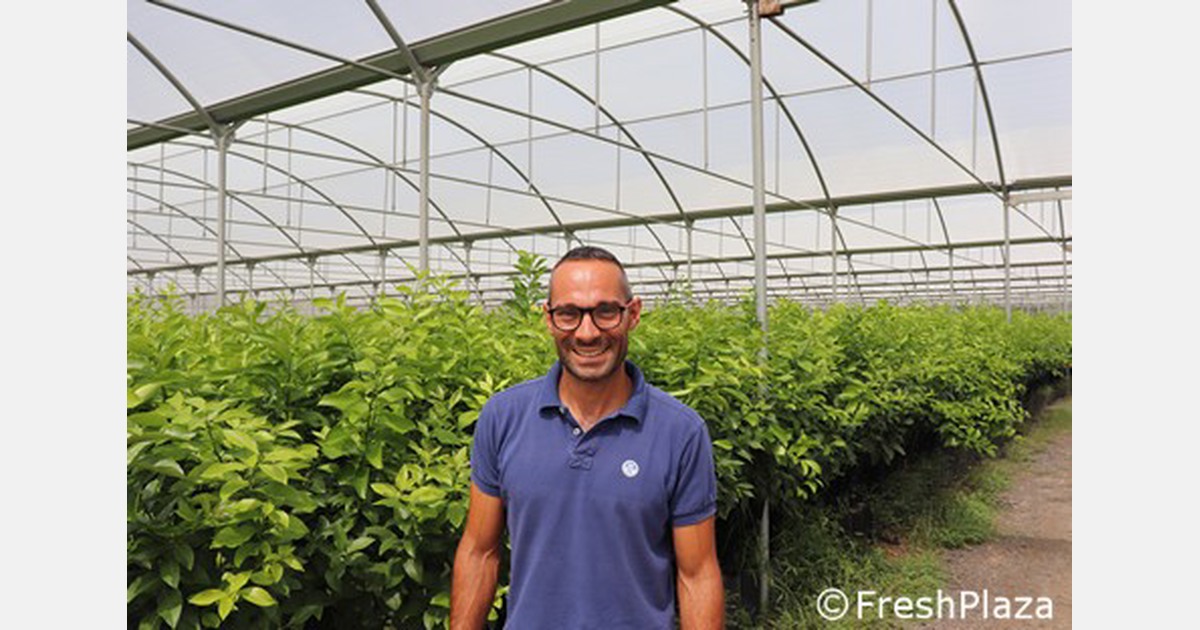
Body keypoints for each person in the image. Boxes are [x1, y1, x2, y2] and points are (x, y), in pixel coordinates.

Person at [450, 245, 724, 629]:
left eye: (606, 311)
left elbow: (697, 574)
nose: (587, 332)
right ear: (548, 318)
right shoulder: (503, 417)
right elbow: (479, 551)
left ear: (633, 314)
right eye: (569, 314)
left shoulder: (681, 432)